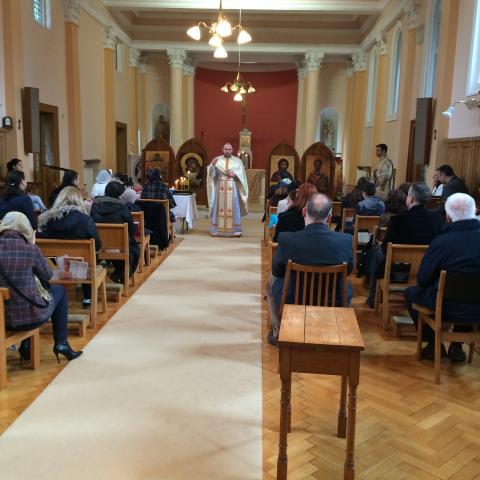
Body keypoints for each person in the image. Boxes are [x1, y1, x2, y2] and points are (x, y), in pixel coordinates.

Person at [266, 193, 354, 345]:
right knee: (346, 285)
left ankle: (278, 332)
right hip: (332, 300)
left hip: (293, 300)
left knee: (271, 282)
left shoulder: (287, 239)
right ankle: (336, 329)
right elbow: (350, 270)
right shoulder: (345, 241)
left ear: (304, 212)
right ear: (330, 217)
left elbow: (277, 271)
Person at [405, 193, 480, 362]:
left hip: (446, 306)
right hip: (478, 308)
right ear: (474, 211)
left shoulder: (442, 242)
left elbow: (423, 279)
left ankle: (433, 345)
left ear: (448, 217)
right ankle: (457, 345)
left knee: (411, 294)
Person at [0, 212, 82, 362]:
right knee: (59, 291)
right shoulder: (30, 250)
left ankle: (26, 346)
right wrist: (32, 243)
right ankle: (61, 343)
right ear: (26, 229)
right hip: (29, 318)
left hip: (2, 318)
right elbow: (48, 276)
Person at [365, 183, 443, 307]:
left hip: (399, 269)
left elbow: (386, 249)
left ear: (411, 198)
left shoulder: (398, 219)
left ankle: (373, 299)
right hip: (426, 269)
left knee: (376, 255)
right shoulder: (437, 219)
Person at [37, 187, 101, 309]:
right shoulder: (85, 219)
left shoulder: (48, 220)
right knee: (89, 257)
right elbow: (97, 245)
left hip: (54, 266)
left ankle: (48, 295)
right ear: (79, 201)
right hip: (81, 267)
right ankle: (88, 297)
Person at [91, 181, 140, 284]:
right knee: (135, 249)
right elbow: (131, 228)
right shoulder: (122, 207)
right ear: (119, 194)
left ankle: (114, 274)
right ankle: (119, 275)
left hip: (97, 246)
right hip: (119, 246)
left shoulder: (94, 206)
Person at [207, 143, 249, 237]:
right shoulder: (217, 160)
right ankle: (217, 230)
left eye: (229, 149)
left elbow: (242, 176)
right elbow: (212, 175)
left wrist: (234, 174)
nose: (227, 151)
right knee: (219, 208)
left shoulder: (237, 161)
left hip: (232, 186)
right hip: (220, 186)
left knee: (234, 208)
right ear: (222, 149)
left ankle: (235, 230)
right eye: (226, 149)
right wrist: (212, 165)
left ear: (232, 150)